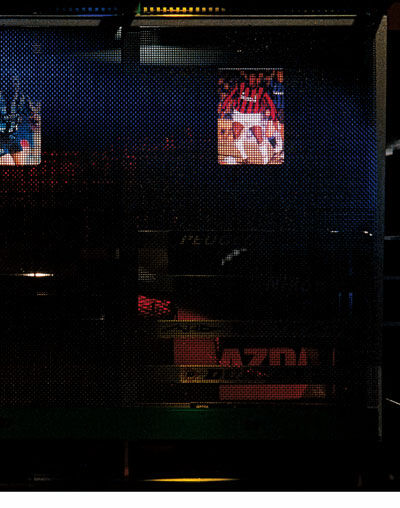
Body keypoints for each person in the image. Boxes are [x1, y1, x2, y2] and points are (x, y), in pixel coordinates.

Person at [219, 72, 278, 164]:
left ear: (257, 79)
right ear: (247, 78)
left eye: (253, 77)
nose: (251, 80)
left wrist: (274, 118)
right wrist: (223, 108)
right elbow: (229, 96)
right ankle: (244, 157)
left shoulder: (261, 90)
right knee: (236, 134)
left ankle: (265, 161)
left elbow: (271, 104)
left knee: (259, 137)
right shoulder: (240, 86)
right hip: (239, 114)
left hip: (254, 116)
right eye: (250, 77)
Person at [0, 76, 35, 165]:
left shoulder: (21, 97)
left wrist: (33, 118)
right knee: (8, 163)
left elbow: (33, 114)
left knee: (21, 163)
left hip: (11, 136)